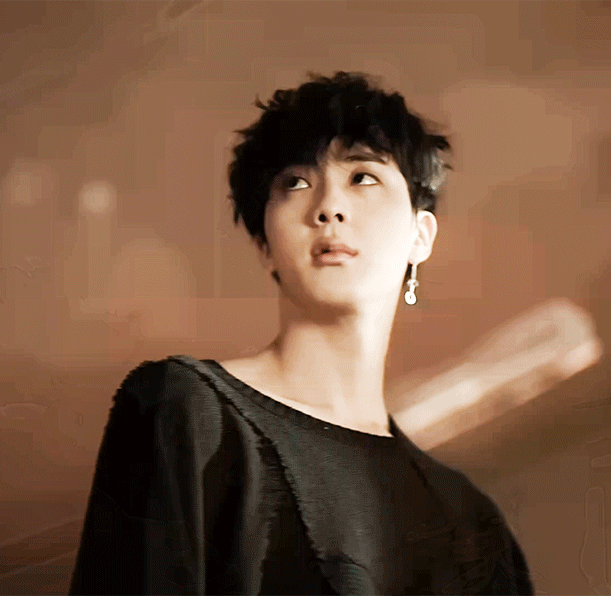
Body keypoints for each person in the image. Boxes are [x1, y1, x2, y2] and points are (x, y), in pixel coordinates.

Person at [69, 71, 535, 595]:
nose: (329, 208)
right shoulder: (185, 410)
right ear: (264, 244)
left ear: (420, 236)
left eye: (363, 176)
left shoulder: (474, 525)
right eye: (294, 182)